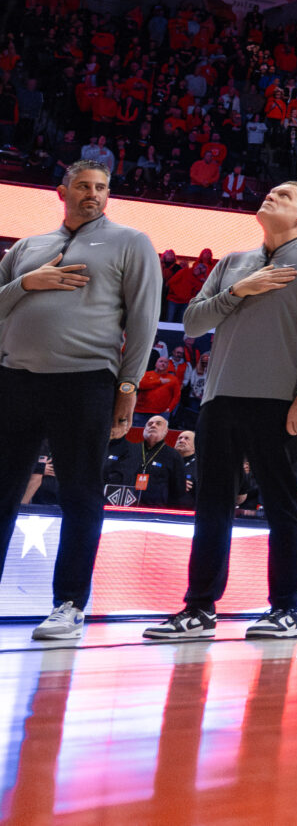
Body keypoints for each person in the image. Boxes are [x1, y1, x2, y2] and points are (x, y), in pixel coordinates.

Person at [142, 184, 297, 641]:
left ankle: (285, 609)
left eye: (286, 195)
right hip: (219, 400)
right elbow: (193, 322)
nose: (272, 195)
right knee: (212, 504)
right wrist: (238, 290)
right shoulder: (232, 263)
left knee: (283, 503)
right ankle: (199, 608)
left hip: (278, 402)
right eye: (272, 191)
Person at [0, 160, 165, 642]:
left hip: (85, 380)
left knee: (79, 493)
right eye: (84, 186)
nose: (93, 193)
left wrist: (128, 387)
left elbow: (144, 318)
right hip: (14, 378)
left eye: (101, 188)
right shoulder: (28, 247)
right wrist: (27, 283)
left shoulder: (131, 242)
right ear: (62, 192)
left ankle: (69, 604)